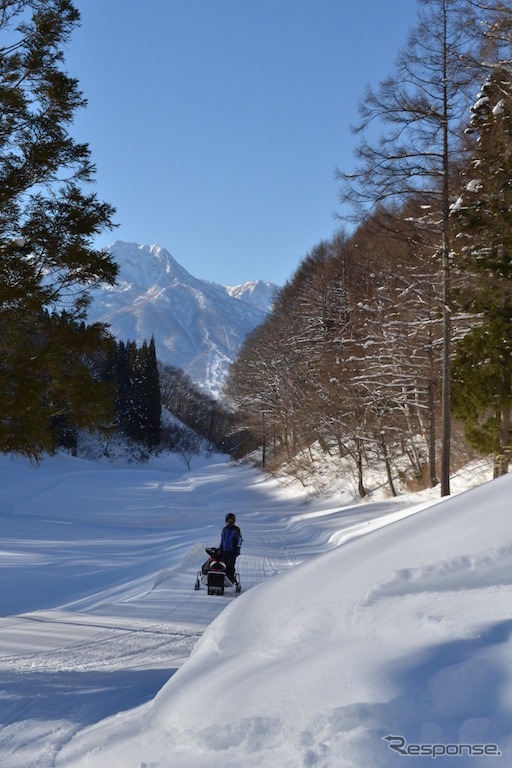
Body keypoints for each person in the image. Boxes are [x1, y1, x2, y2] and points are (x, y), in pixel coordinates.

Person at [219, 513, 242, 584]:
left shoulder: (236, 530)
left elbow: (240, 540)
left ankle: (231, 579)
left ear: (233, 520)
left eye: (231, 519)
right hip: (224, 551)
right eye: (228, 519)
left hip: (232, 551)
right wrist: (220, 548)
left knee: (230, 565)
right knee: (223, 565)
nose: (230, 521)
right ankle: (222, 579)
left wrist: (237, 549)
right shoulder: (225, 529)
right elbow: (222, 540)